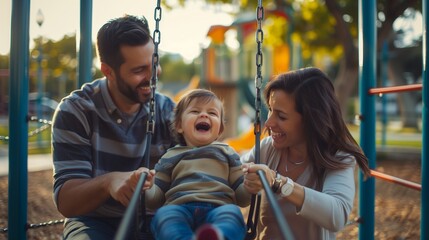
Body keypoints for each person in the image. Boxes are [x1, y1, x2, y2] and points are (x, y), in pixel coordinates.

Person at [51, 15, 177, 239]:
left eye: (155, 64)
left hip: (155, 218)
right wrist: (108, 183)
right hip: (94, 220)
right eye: (139, 71)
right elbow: (67, 202)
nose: (153, 77)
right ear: (108, 71)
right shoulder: (76, 111)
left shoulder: (168, 112)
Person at [241, 67, 371, 240]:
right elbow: (234, 186)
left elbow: (337, 215)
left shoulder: (338, 157)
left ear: (311, 120)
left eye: (281, 116)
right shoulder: (268, 148)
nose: (269, 122)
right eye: (271, 110)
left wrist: (278, 182)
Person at [145, 89, 251, 240]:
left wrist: (249, 187)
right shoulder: (171, 155)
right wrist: (148, 187)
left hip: (219, 207)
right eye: (195, 111)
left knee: (232, 214)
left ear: (219, 130)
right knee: (164, 216)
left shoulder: (227, 152)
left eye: (212, 113)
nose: (204, 115)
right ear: (179, 125)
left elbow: (242, 198)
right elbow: (155, 200)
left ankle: (219, 236)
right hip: (179, 207)